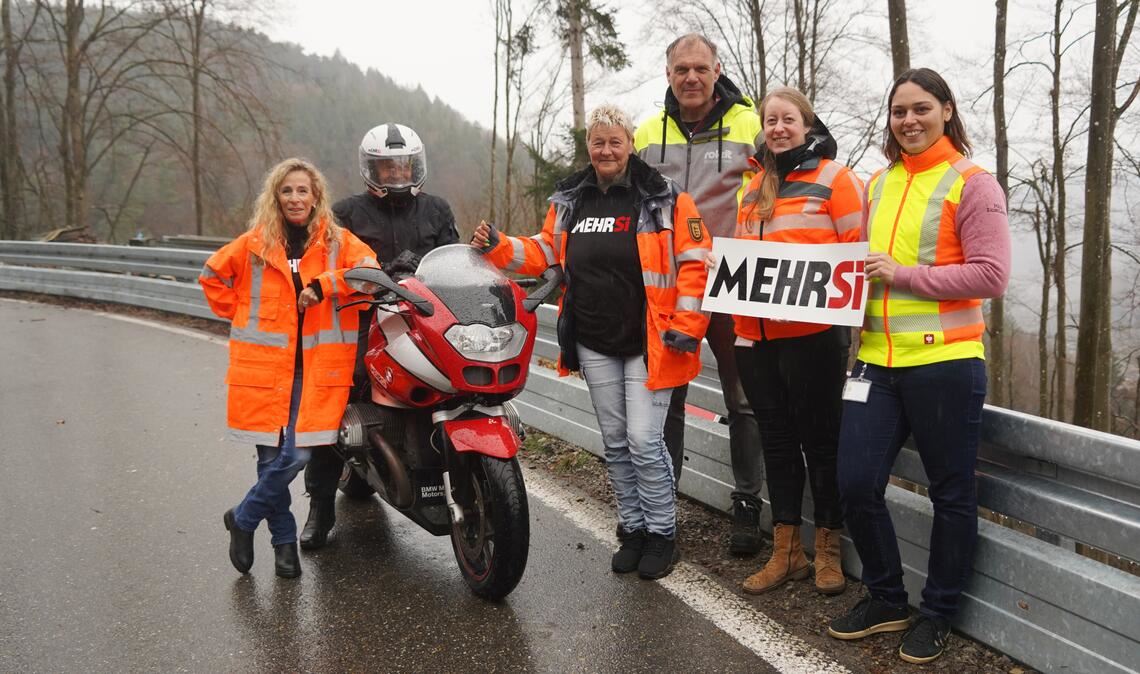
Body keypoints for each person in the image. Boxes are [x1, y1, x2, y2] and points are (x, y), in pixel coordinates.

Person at [471, 104, 711, 580]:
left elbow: (696, 261)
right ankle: (633, 528)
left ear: (630, 145)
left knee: (645, 440)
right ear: (589, 147)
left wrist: (689, 323)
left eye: (614, 141)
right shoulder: (570, 200)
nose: (606, 150)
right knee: (618, 442)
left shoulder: (664, 198)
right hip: (595, 338)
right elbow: (543, 250)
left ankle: (663, 534)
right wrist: (498, 245)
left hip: (650, 341)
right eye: (598, 142)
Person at [827, 68, 1010, 664]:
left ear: (947, 110)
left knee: (951, 495)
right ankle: (886, 598)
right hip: (876, 360)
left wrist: (901, 275)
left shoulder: (973, 183)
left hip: (946, 363)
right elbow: (859, 265)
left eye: (922, 108)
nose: (909, 119)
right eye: (899, 110)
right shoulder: (877, 183)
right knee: (854, 481)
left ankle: (938, 612)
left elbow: (991, 275)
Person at [199, 158, 377, 578]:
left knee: (295, 455)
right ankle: (284, 547)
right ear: (275, 197)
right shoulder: (254, 245)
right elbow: (211, 276)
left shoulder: (338, 242)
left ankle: (241, 519)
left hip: (316, 371)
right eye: (287, 191)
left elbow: (371, 275)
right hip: (263, 368)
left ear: (316, 197)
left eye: (303, 191)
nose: (295, 199)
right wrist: (242, 313)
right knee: (269, 460)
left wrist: (325, 284)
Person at [716, 87, 863, 596]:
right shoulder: (754, 185)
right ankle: (787, 551)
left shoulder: (836, 179)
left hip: (814, 338)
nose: (778, 127)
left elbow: (854, 258)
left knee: (821, 443)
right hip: (754, 339)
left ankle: (827, 549)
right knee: (776, 443)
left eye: (788, 119)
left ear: (807, 124)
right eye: (770, 119)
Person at [633, 33, 766, 555]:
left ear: (717, 71)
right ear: (668, 73)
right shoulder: (646, 132)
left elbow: (797, 167)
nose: (691, 78)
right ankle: (663, 504)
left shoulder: (751, 123)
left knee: (743, 397)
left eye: (700, 69)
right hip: (669, 286)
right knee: (668, 396)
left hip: (734, 278)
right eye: (681, 69)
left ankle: (748, 504)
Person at [299, 123, 460, 550]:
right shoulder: (347, 213)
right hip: (363, 320)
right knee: (338, 399)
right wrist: (379, 274)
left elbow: (456, 263)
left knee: (456, 387)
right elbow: (327, 264)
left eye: (403, 164)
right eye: (387, 167)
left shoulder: (437, 210)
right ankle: (320, 505)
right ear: (372, 168)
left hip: (425, 320)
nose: (396, 173)